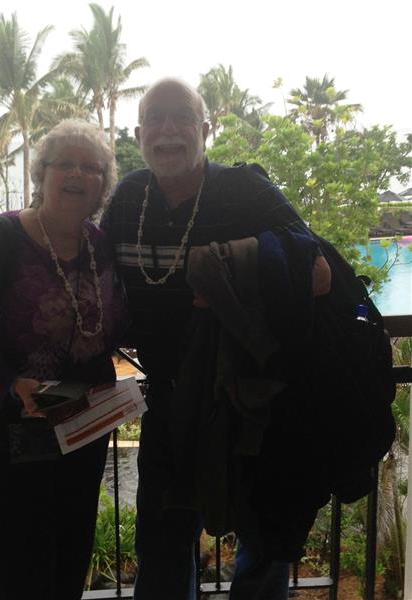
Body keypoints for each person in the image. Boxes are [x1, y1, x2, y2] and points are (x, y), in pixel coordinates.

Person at [101, 78, 324, 600]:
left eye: (182, 117)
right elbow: (95, 276)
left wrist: (232, 278)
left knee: (263, 538)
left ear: (205, 130)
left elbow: (315, 268)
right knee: (162, 543)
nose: (168, 130)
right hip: (170, 398)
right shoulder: (129, 197)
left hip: (253, 398)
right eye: (155, 119)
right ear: (138, 134)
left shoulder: (244, 189)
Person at [0, 120, 126, 599]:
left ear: (103, 184)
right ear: (41, 173)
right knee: (19, 571)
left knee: (70, 562)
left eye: (92, 168)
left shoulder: (99, 244)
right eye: (66, 164)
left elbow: (111, 323)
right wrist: (10, 384)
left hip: (82, 433)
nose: (78, 175)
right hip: (11, 439)